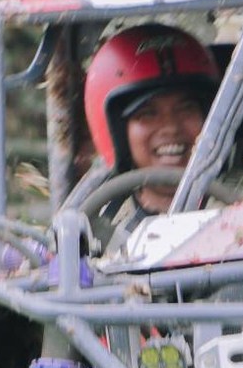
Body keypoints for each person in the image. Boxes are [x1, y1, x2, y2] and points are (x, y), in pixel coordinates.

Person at [81, 23, 219, 221]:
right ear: (118, 133)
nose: (171, 127)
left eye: (186, 109)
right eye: (147, 114)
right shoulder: (97, 224)